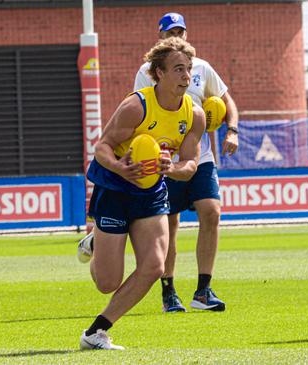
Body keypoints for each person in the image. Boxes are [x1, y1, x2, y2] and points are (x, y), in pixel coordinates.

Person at [77, 37, 205, 350]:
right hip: (116, 187)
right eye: (178, 69)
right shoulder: (136, 106)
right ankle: (94, 241)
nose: (186, 76)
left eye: (188, 69)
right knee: (107, 282)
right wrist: (121, 167)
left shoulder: (194, 114)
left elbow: (190, 164)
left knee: (154, 266)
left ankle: (96, 333)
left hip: (151, 193)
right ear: (158, 73)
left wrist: (170, 169)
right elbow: (102, 147)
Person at [132, 12, 240, 313]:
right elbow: (139, 109)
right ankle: (169, 291)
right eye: (170, 32)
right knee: (170, 223)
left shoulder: (201, 68)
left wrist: (231, 130)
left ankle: (203, 290)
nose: (176, 36)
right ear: (160, 36)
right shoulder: (147, 71)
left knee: (212, 211)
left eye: (180, 31)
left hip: (200, 155)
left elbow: (225, 101)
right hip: (164, 156)